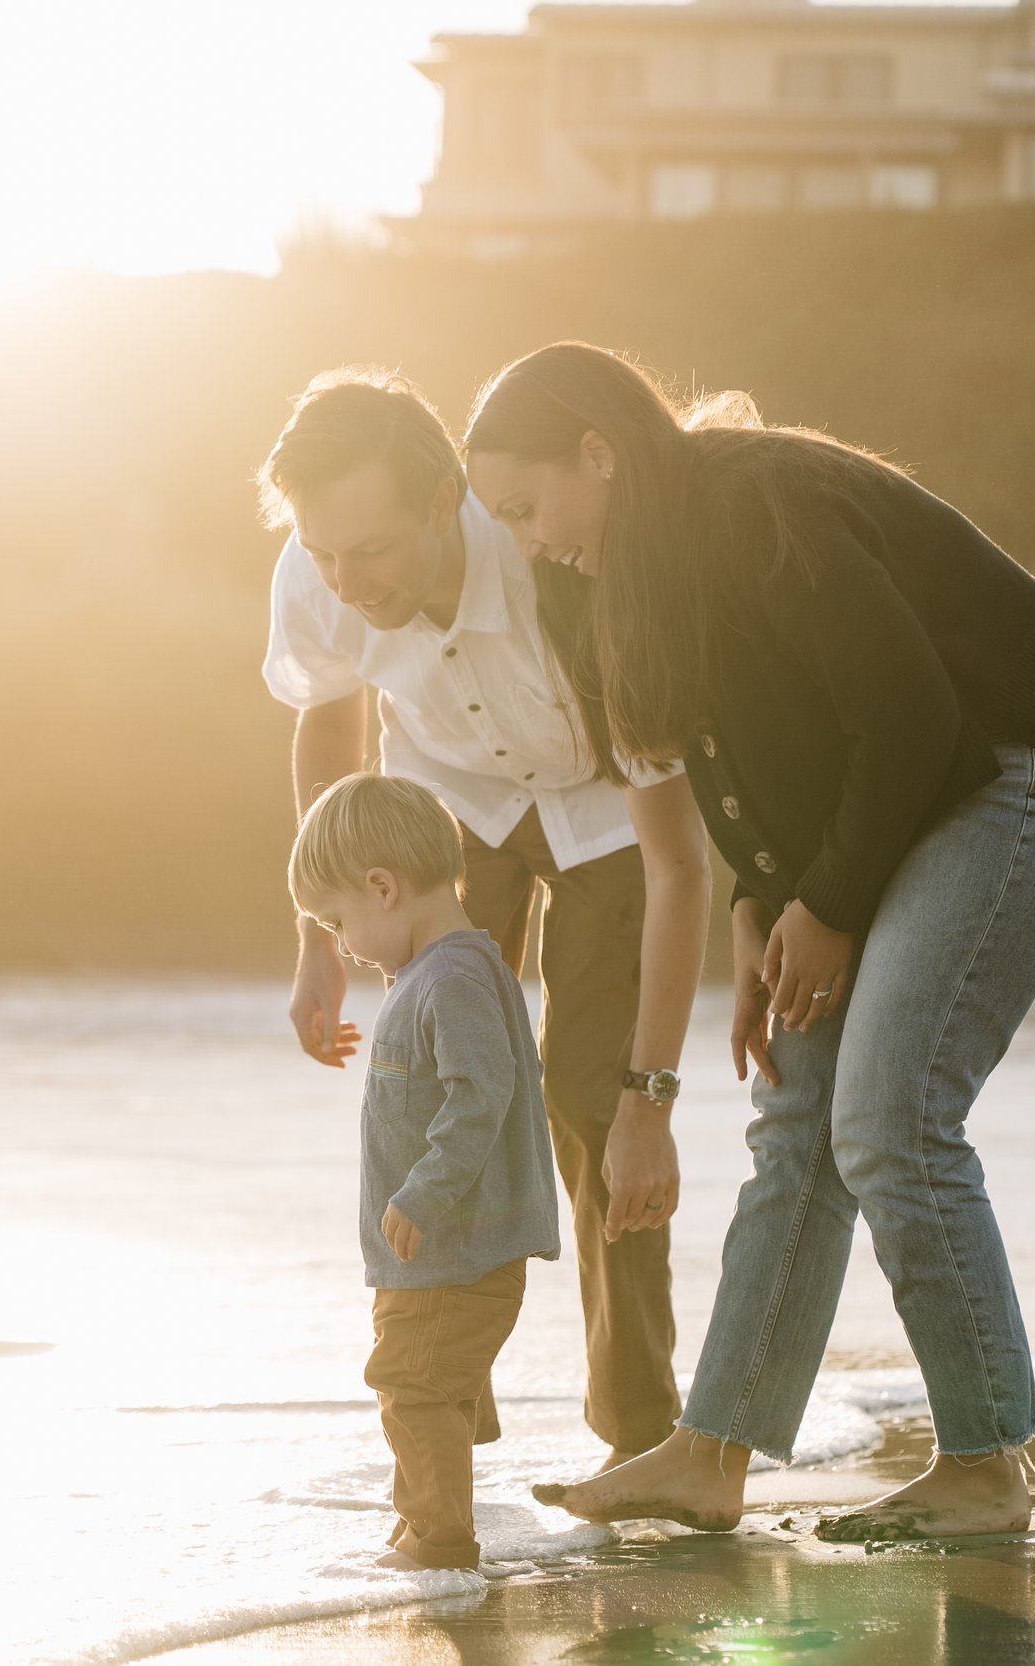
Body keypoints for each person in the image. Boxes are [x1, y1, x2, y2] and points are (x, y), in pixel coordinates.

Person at [462, 342, 1035, 1540]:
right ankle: (711, 1450)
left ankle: (987, 1464)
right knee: (797, 1118)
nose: (527, 540)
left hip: (1026, 771)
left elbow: (906, 710)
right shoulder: (643, 555)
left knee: (889, 1117)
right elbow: (736, 746)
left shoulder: (752, 503)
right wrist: (760, 905)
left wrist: (825, 907)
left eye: (526, 506)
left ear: (597, 453)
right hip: (906, 800)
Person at [257, 368, 709, 1468]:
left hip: (602, 804)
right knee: (431, 1088)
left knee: (587, 1104)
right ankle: (454, 1401)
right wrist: (316, 937)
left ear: (440, 500)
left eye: (370, 549)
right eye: (323, 551)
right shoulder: (317, 577)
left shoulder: (555, 556)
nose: (345, 578)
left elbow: (676, 860)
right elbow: (330, 739)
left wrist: (652, 1091)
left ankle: (637, 1428)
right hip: (450, 804)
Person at [289, 771, 563, 1570]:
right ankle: (425, 1520)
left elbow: (482, 1097)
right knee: (424, 1380)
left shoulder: (451, 978)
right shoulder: (433, 974)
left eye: (339, 921)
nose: (340, 942)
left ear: (383, 886)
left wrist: (424, 1191)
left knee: (413, 1383)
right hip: (436, 1251)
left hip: (452, 1247)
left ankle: (440, 1536)